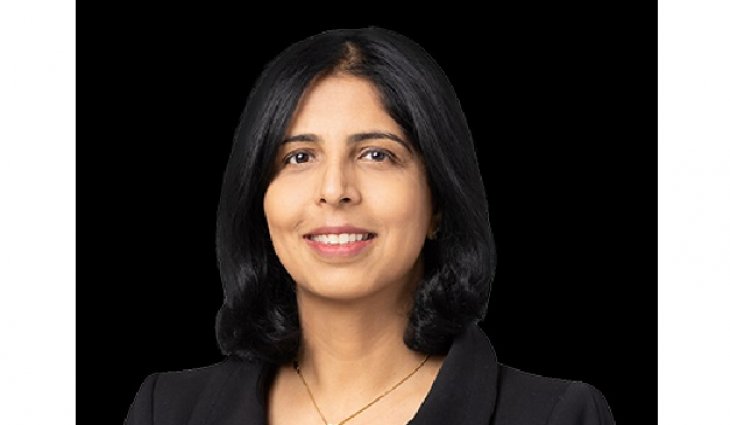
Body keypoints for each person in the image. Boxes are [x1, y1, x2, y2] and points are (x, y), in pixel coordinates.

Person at [124, 26, 615, 425]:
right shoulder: (167, 411)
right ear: (259, 199)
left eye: (377, 154)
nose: (335, 189)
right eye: (299, 157)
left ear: (439, 200)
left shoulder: (556, 416)